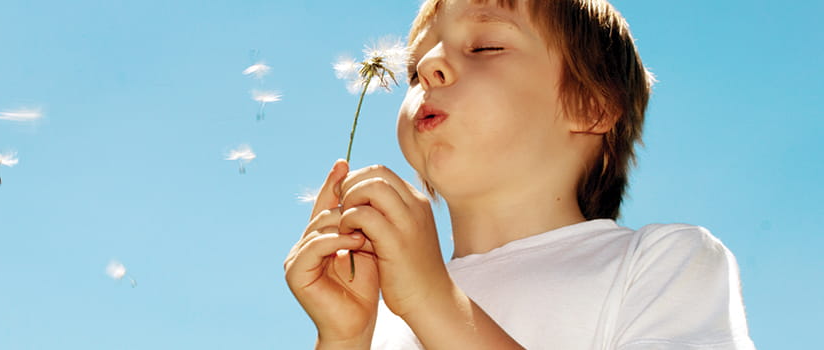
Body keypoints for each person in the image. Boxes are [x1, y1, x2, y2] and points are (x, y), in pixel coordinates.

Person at [283, 0, 755, 349]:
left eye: (486, 47)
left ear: (590, 105)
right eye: (412, 70)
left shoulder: (660, 262)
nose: (428, 66)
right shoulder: (385, 313)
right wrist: (344, 337)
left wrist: (433, 301)